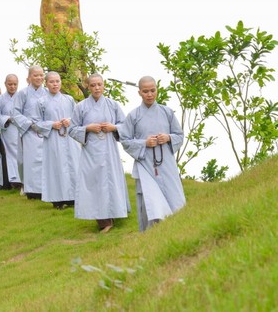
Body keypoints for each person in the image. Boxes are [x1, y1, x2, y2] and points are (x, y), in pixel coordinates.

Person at [120, 76, 186, 231]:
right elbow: (125, 140)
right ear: (139, 93)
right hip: (145, 165)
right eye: (145, 91)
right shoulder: (133, 115)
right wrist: (144, 143)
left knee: (174, 198)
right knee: (151, 201)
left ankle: (178, 229)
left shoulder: (167, 112)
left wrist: (168, 137)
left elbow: (179, 135)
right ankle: (152, 233)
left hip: (166, 163)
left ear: (157, 90)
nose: (149, 94)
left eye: (152, 90)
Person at [68, 74, 130, 232]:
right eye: (93, 85)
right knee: (95, 183)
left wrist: (113, 128)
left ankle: (115, 213)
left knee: (111, 180)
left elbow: (126, 126)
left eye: (99, 85)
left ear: (104, 86)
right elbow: (72, 129)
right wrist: (88, 128)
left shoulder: (113, 105)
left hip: (109, 149)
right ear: (88, 87)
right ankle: (103, 221)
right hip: (91, 151)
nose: (96, 88)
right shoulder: (80, 107)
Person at [33, 71, 79, 209]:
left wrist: (70, 121)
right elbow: (35, 123)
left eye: (57, 81)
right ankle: (57, 199)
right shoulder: (41, 102)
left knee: (73, 165)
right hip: (53, 139)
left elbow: (78, 117)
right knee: (55, 167)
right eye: (52, 82)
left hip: (70, 138)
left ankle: (73, 198)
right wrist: (51, 125)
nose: (55, 84)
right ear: (46, 84)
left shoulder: (69, 99)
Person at [11, 66, 47, 199]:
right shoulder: (23, 93)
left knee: (44, 160)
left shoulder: (47, 92)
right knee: (27, 161)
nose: (39, 78)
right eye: (35, 75)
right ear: (29, 77)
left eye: (41, 75)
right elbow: (15, 113)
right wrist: (29, 124)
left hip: (44, 130)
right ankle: (31, 189)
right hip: (29, 131)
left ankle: (45, 189)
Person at [0, 74, 23, 190]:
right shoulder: (0, 99)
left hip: (21, 128)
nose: (12, 86)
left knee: (21, 153)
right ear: (5, 84)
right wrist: (7, 119)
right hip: (8, 130)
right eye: (10, 84)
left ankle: (23, 178)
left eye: (15, 84)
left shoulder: (21, 96)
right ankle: (14, 180)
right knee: (10, 155)